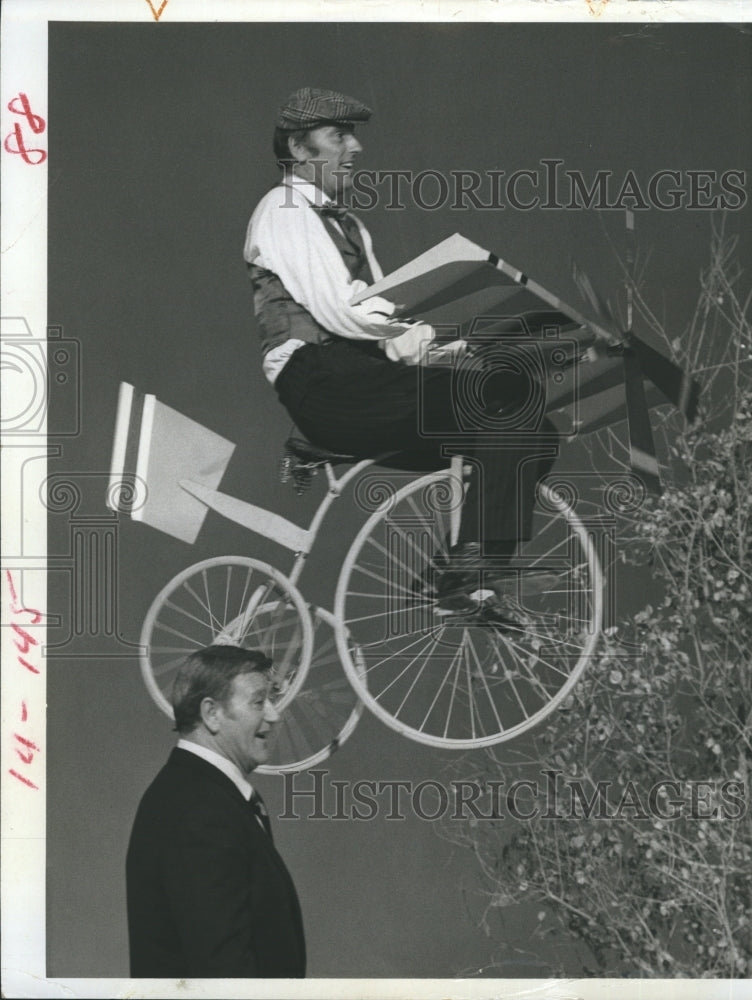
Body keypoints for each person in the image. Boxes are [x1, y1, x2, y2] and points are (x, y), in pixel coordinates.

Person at [243, 87, 558, 628]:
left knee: (533, 429)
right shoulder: (285, 208)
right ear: (299, 148)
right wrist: (433, 330)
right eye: (339, 136)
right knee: (505, 396)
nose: (356, 148)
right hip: (319, 378)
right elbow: (345, 311)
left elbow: (388, 338)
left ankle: (460, 580)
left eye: (355, 135)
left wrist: (460, 347)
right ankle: (466, 573)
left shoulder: (349, 226)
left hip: (362, 378)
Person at [125, 644, 306, 978]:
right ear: (211, 714)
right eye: (258, 701)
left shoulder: (200, 797)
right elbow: (222, 971)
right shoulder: (198, 810)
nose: (274, 714)